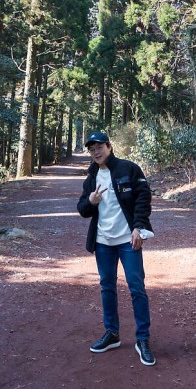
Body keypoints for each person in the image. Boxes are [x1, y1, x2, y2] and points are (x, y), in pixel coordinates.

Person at [76, 130, 156, 366]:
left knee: (136, 287)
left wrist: (138, 227)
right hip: (103, 242)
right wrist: (91, 202)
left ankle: (143, 339)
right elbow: (82, 209)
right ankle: (112, 333)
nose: (96, 152)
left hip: (128, 240)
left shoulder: (128, 168)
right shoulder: (91, 177)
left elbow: (143, 196)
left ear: (109, 146)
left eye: (99, 147)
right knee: (107, 287)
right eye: (91, 150)